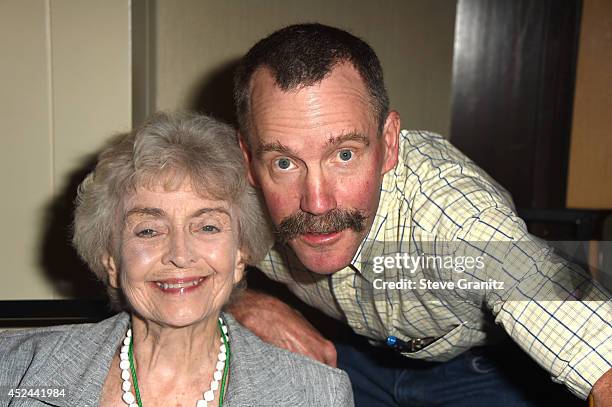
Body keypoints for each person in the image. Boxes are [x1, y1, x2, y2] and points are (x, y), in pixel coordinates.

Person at [228, 23, 612, 406]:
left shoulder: (452, 216)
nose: (316, 203)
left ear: (389, 144)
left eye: (344, 154)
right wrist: (244, 303)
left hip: (484, 371)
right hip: (355, 355)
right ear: (248, 160)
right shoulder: (229, 197)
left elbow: (588, 342)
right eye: (284, 162)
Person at [0, 112, 354, 407]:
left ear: (241, 255)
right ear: (111, 260)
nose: (180, 255)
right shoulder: (15, 369)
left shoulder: (317, 394)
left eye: (208, 227)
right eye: (149, 231)